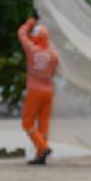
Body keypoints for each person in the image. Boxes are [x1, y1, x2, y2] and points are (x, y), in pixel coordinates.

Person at [18, 13, 59, 165]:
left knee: (27, 122)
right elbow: (54, 70)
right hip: (48, 91)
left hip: (34, 90)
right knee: (43, 124)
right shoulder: (53, 54)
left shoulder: (32, 49)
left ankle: (43, 147)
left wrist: (31, 21)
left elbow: (21, 33)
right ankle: (40, 155)